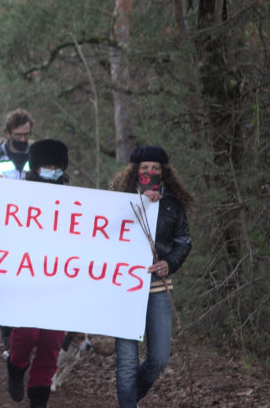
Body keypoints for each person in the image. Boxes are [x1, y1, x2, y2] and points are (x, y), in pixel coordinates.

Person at [111, 145, 192, 408]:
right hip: (124, 289)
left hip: (158, 288)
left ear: (163, 172)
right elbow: (104, 234)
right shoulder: (119, 198)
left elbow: (183, 241)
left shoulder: (172, 204)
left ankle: (130, 396)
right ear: (135, 171)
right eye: (144, 168)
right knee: (126, 361)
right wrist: (140, 202)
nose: (150, 172)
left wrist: (170, 263)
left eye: (155, 168)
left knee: (159, 358)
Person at [7, 139, 71, 408]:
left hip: (59, 282)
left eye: (56, 166)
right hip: (26, 279)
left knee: (51, 343)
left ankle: (38, 400)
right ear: (35, 167)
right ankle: (15, 367)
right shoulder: (21, 194)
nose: (51, 170)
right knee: (28, 334)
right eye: (46, 165)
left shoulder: (79, 201)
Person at [0, 109, 34, 179]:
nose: (23, 139)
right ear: (8, 133)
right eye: (18, 135)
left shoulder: (37, 156)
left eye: (26, 134)